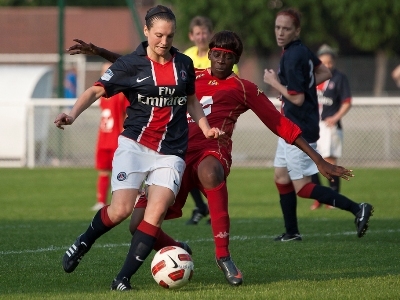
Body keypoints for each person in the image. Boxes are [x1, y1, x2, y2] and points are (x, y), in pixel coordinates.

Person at [67, 30, 355, 287]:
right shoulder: (191, 73)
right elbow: (144, 70)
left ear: (235, 59)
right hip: (173, 153)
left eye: (227, 56)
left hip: (212, 150)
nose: (219, 59)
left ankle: (224, 256)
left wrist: (318, 160)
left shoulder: (244, 88)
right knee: (136, 223)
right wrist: (100, 52)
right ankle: (179, 248)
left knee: (209, 171)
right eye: (215, 53)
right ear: (209, 54)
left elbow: (279, 124)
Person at [55, 5, 223, 292]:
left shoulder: (182, 64)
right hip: (134, 146)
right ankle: (83, 241)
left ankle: (122, 279)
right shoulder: (130, 65)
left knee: (154, 213)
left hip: (171, 152)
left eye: (169, 36)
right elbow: (96, 89)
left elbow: (192, 99)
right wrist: (72, 114)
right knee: (120, 211)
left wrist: (205, 127)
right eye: (158, 35)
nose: (164, 41)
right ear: (146, 32)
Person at [263, 7, 373, 242]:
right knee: (281, 177)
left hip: (297, 128)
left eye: (286, 29)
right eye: (277, 27)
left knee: (302, 187)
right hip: (290, 125)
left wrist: (275, 83)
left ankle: (357, 208)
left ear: (297, 30)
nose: (280, 33)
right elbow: (323, 72)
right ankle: (291, 232)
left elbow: (298, 98)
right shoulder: (299, 49)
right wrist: (298, 89)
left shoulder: (293, 56)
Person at [183, 16, 239, 225]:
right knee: (183, 166)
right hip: (190, 118)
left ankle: (215, 207)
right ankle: (202, 206)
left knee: (211, 166)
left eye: (204, 32)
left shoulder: (220, 57)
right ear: (191, 36)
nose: (201, 36)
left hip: (216, 122)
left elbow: (232, 86)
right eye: (197, 33)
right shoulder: (186, 56)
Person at [310, 44, 352, 210]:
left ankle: (334, 199)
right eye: (324, 62)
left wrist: (335, 117)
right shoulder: (313, 77)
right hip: (313, 124)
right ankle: (320, 197)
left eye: (330, 62)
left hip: (330, 127)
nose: (327, 65)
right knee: (311, 161)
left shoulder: (339, 78)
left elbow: (347, 102)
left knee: (329, 161)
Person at [91, 62, 130, 211]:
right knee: (103, 170)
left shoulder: (121, 93)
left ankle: (127, 199)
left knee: (122, 172)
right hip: (103, 138)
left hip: (117, 139)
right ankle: (101, 202)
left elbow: (127, 114)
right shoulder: (101, 92)